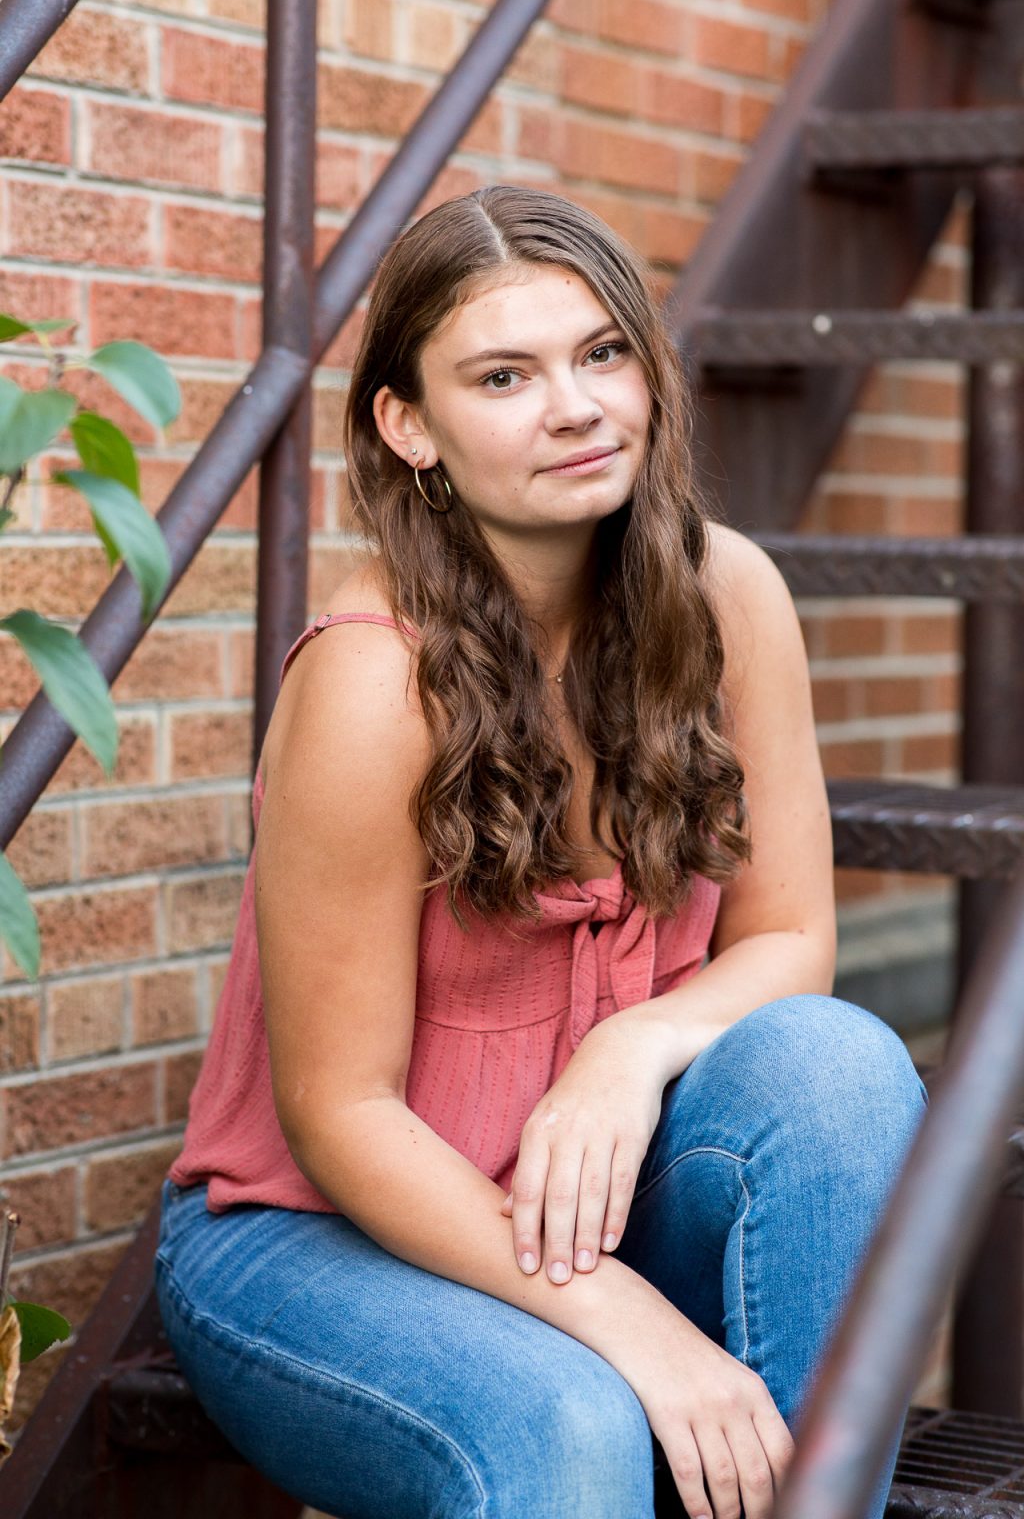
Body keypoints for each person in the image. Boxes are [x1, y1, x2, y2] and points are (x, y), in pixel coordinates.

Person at [155, 184, 928, 1519]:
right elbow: (341, 1116)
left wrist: (626, 1054)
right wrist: (631, 1325)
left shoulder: (730, 598)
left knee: (844, 1069)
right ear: (412, 428)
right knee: (573, 1426)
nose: (574, 406)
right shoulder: (373, 685)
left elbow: (793, 940)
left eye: (603, 353)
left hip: (594, 1196)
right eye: (503, 375)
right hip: (323, 1242)